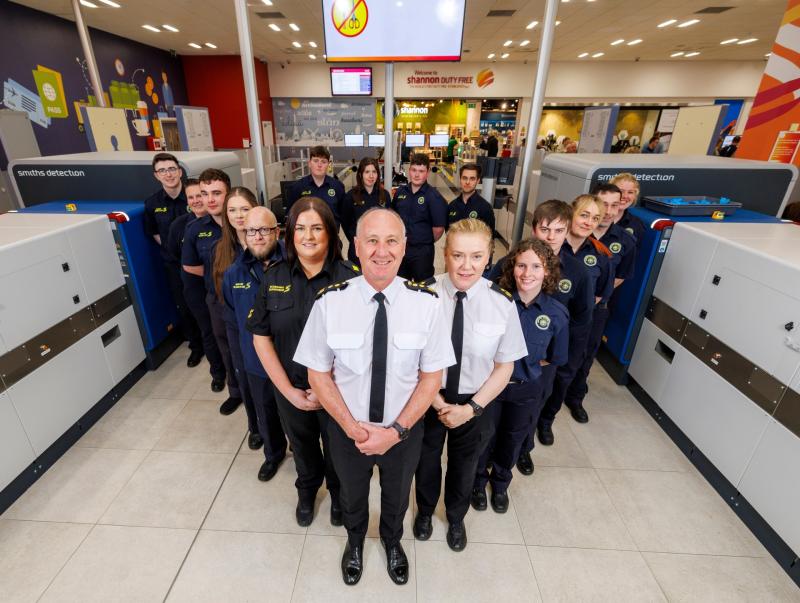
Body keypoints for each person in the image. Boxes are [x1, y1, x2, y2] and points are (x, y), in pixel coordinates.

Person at [293, 207, 454, 586]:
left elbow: (432, 377)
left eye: (391, 241)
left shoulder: (427, 305)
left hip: (405, 430)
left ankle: (393, 542)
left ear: (404, 247)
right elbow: (317, 373)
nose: (382, 251)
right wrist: (352, 428)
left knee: (398, 496)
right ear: (357, 248)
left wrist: (396, 431)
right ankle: (354, 542)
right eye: (372, 241)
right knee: (351, 493)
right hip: (349, 431)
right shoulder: (330, 302)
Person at [414, 218, 526, 551]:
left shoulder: (502, 304)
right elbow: (410, 360)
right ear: (444, 254)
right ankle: (424, 512)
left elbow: (505, 366)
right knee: (426, 460)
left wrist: (471, 408)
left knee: (466, 465)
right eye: (458, 255)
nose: (466, 266)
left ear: (489, 257)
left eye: (476, 257)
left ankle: (456, 517)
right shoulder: (422, 296)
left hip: (476, 402)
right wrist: (436, 402)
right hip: (428, 396)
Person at [247, 198, 358, 530]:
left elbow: (363, 344)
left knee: (339, 450)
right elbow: (260, 337)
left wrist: (327, 389)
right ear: (289, 234)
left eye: (317, 228)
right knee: (304, 449)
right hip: (292, 390)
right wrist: (290, 392)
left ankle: (339, 497)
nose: (308, 236)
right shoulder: (274, 277)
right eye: (300, 228)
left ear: (330, 232)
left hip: (339, 393)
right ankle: (307, 492)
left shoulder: (352, 279)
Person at [473, 239, 569, 508]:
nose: (528, 273)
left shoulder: (556, 314)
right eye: (522, 265)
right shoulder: (495, 303)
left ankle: (501, 483)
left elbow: (553, 357)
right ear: (512, 268)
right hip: (491, 387)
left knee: (512, 439)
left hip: (526, 390)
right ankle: (478, 483)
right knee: (485, 438)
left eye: (536, 266)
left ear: (547, 271)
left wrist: (525, 370)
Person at [536, 194, 613, 434]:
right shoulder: (530, 254)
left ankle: (546, 422)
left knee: (561, 380)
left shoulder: (596, 258)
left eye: (595, 218)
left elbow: (594, 300)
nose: (589, 222)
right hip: (534, 333)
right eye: (584, 214)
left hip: (569, 332)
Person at [223, 206, 288, 481]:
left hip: (290, 359)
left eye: (264, 230)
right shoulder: (234, 274)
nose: (257, 237)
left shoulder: (294, 264)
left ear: (277, 231)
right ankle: (273, 455)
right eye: (251, 231)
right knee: (266, 413)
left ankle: (305, 455)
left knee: (297, 415)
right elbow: (232, 320)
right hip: (255, 361)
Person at [182, 169, 243, 411]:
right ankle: (236, 391)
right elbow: (190, 265)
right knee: (227, 349)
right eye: (205, 193)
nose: (210, 199)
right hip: (217, 300)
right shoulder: (196, 229)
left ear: (228, 194)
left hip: (249, 299)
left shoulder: (243, 223)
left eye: (217, 193)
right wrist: (217, 277)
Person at [143, 153, 204, 367]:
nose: (168, 174)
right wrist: (178, 253)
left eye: (171, 169)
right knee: (185, 306)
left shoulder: (194, 195)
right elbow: (155, 234)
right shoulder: (152, 204)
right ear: (156, 175)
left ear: (179, 171)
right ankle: (196, 346)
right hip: (175, 264)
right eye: (162, 170)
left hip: (204, 261)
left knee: (208, 304)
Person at [211, 187, 261, 441]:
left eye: (244, 209)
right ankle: (255, 428)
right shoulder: (220, 250)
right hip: (237, 326)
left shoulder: (269, 245)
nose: (239, 215)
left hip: (267, 326)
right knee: (246, 378)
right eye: (232, 210)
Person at [391, 153, 447, 281]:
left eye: (421, 171)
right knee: (399, 285)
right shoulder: (400, 192)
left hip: (422, 252)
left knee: (422, 288)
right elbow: (393, 219)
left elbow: (438, 229)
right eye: (414, 170)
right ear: (409, 171)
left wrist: (422, 240)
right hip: (400, 250)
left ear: (427, 173)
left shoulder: (434, 197)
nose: (417, 174)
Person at [340, 157, 390, 264]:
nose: (371, 176)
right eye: (367, 172)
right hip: (358, 249)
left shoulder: (384, 195)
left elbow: (389, 221)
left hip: (379, 249)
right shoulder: (351, 196)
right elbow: (345, 222)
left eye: (374, 172)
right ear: (360, 174)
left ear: (378, 174)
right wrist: (355, 239)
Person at [286, 145, 345, 227]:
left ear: (328, 165)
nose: (319, 165)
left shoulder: (338, 187)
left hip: (331, 236)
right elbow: (290, 217)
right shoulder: (297, 188)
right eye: (316, 161)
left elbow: (343, 215)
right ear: (309, 164)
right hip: (307, 236)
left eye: (323, 162)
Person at [593, 183, 636, 291]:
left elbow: (620, 277)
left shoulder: (627, 240)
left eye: (614, 205)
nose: (608, 212)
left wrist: (595, 299)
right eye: (604, 205)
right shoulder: (577, 232)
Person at [447, 163, 495, 234]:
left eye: (472, 179)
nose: (467, 182)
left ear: (478, 181)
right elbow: (448, 232)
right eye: (464, 178)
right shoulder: (452, 206)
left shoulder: (485, 208)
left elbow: (490, 237)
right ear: (460, 179)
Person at [610, 173, 647, 246]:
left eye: (630, 192)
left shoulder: (637, 225)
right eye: (621, 191)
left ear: (635, 196)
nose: (625, 196)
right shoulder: (594, 218)